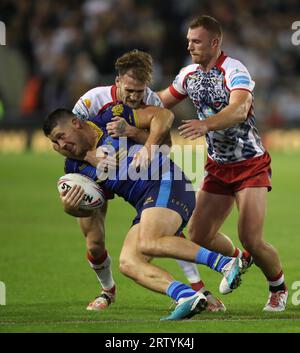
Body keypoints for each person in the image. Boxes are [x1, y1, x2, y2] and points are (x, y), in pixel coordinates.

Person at [43, 103, 246, 320]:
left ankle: (226, 263)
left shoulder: (111, 117)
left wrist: (147, 144)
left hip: (167, 181)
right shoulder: (75, 168)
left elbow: (163, 115)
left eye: (62, 136)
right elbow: (93, 209)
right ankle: (186, 296)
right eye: (55, 142)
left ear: (76, 123)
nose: (62, 144)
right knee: (128, 262)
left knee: (149, 241)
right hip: (147, 204)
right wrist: (72, 209)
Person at [70, 49, 225, 312]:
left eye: (139, 91)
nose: (133, 96)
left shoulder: (153, 102)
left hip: (137, 174)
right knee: (95, 243)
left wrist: (131, 132)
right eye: (128, 89)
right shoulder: (92, 101)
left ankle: (198, 290)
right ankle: (107, 291)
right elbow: (65, 139)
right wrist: (91, 157)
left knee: (164, 231)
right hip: (93, 172)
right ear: (117, 81)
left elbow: (165, 146)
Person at [157, 15, 288, 311]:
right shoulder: (188, 74)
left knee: (251, 238)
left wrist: (206, 125)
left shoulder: (233, 69)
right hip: (218, 166)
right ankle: (236, 259)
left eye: (196, 41)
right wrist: (124, 105)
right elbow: (159, 100)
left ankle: (278, 287)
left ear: (214, 42)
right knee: (198, 235)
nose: (190, 46)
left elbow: (239, 109)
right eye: (189, 40)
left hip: (250, 163)